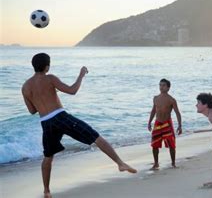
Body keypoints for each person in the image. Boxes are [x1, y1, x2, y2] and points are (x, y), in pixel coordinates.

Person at [21, 53, 137, 198]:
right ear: (47, 66)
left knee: (48, 156)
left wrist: (42, 97)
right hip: (60, 117)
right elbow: (72, 90)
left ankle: (46, 191)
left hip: (46, 122)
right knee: (95, 136)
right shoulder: (50, 78)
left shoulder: (25, 87)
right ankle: (120, 163)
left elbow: (32, 110)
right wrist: (81, 75)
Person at [147, 79, 182, 170]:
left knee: (171, 144)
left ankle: (173, 163)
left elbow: (177, 113)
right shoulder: (155, 98)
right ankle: (156, 163)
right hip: (157, 123)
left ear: (168, 88)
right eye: (160, 85)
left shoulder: (171, 100)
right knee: (155, 144)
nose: (161, 87)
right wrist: (149, 122)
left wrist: (180, 125)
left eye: (163, 85)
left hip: (167, 123)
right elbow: (153, 111)